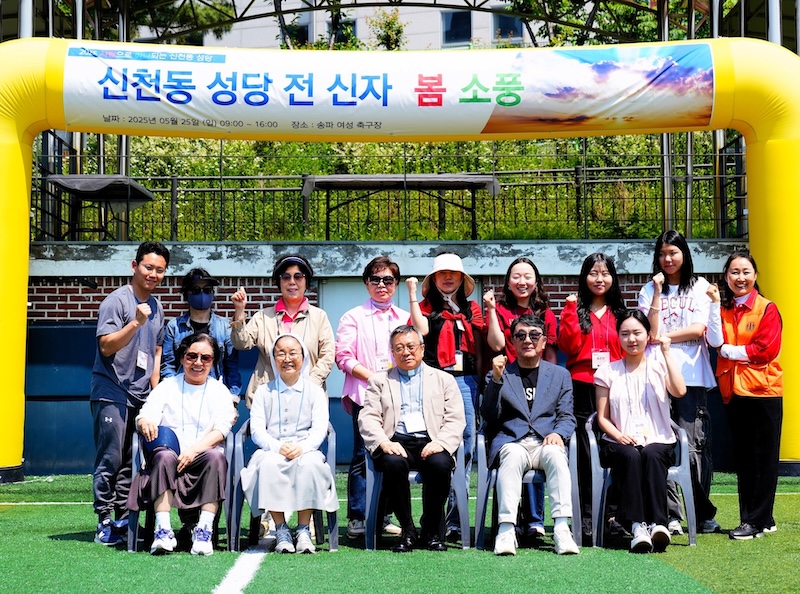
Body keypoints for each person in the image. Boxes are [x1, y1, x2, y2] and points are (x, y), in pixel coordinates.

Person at [638, 230, 720, 536]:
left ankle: (700, 513)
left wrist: (664, 338)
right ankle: (671, 514)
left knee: (694, 446)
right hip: (657, 375)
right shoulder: (649, 289)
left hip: (692, 377)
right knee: (661, 444)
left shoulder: (700, 287)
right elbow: (649, 331)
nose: (667, 259)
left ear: (684, 253)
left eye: (673, 252)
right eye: (662, 254)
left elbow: (699, 329)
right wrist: (658, 293)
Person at [358, 325, 466, 553]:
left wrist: (440, 443)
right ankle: (407, 530)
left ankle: (430, 529)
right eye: (399, 348)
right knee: (393, 464)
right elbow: (368, 418)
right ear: (392, 352)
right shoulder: (379, 381)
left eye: (410, 346)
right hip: (396, 441)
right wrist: (384, 442)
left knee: (440, 464)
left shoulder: (444, 379)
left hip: (432, 440)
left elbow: (456, 419)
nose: (405, 352)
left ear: (422, 349)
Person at [90, 241, 170, 546]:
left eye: (159, 270)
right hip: (112, 391)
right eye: (148, 267)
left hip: (140, 395)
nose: (153, 274)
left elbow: (156, 352)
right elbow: (106, 346)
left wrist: (155, 394)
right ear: (134, 266)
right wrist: (136, 322)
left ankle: (123, 518)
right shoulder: (117, 301)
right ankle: (104, 520)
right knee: (110, 458)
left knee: (131, 460)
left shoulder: (158, 307)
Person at [482, 314, 580, 556]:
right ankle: (506, 530)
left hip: (545, 442)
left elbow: (567, 416)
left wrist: (558, 433)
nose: (528, 340)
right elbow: (490, 416)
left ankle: (561, 529)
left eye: (534, 335)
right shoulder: (499, 373)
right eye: (521, 335)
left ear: (544, 342)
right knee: (512, 456)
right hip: (513, 442)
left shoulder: (560, 375)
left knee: (557, 455)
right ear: (512, 342)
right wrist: (496, 380)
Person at [129, 333, 236, 555]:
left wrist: (193, 451)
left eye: (206, 358)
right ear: (181, 358)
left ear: (213, 361)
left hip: (202, 458)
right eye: (192, 356)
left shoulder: (220, 391)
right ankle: (163, 531)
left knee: (216, 456)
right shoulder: (167, 386)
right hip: (170, 457)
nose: (198, 362)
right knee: (163, 456)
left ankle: (204, 530)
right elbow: (145, 414)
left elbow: (222, 430)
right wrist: (144, 421)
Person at [594, 310, 687, 553]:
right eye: (625, 334)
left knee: (651, 454)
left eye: (637, 333)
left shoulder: (660, 367)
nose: (632, 339)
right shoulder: (607, 372)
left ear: (648, 335)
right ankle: (637, 526)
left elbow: (680, 391)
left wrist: (666, 352)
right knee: (632, 455)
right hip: (618, 442)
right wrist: (618, 435)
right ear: (618, 337)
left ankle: (658, 523)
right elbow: (602, 418)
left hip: (658, 439)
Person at [705, 252, 783, 540]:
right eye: (734, 272)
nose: (740, 278)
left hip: (763, 391)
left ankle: (754, 521)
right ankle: (761, 518)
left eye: (746, 272)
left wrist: (730, 351)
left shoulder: (767, 308)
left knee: (764, 459)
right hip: (733, 391)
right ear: (726, 277)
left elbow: (766, 349)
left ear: (755, 276)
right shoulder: (724, 309)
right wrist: (714, 305)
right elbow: (714, 340)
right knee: (746, 460)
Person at [240, 334, 338, 554]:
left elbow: (320, 428)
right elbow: (257, 430)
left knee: (310, 464)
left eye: (293, 353)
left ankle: (303, 529)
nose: (287, 359)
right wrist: (277, 447)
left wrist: (303, 447)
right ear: (273, 358)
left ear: (303, 357)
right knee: (268, 464)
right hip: (271, 449)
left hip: (306, 448)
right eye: (281, 354)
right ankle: (281, 528)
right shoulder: (263, 391)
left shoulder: (315, 392)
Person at [407, 252, 481, 539]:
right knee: (437, 443)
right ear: (434, 279)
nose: (448, 278)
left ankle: (455, 519)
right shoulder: (425, 307)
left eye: (454, 273)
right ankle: (434, 517)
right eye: (442, 273)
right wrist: (412, 295)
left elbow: (482, 344)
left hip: (467, 381)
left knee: (466, 445)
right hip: (435, 380)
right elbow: (419, 331)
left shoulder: (472, 309)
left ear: (462, 278)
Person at [335, 256, 408, 539]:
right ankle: (357, 516)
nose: (381, 285)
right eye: (375, 279)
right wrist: (373, 378)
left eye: (388, 280)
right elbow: (343, 357)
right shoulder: (352, 317)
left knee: (391, 452)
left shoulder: (404, 318)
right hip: (363, 393)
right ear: (366, 283)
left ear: (396, 284)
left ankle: (384, 515)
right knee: (361, 454)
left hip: (397, 395)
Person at [484, 256, 556, 539]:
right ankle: (509, 520)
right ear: (508, 281)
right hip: (507, 382)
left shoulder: (546, 313)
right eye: (516, 276)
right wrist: (491, 310)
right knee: (513, 444)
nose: (522, 282)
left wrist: (550, 384)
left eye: (528, 276)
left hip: (539, 382)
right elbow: (496, 345)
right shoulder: (500, 309)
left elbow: (550, 353)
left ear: (536, 281)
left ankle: (535, 520)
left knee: (538, 435)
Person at [557, 253, 626, 542]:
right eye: (593, 273)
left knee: (617, 448)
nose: (599, 279)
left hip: (615, 386)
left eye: (605, 273)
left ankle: (614, 516)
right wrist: (570, 310)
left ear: (613, 278)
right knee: (584, 454)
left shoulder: (620, 313)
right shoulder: (575, 309)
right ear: (584, 277)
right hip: (582, 386)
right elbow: (568, 346)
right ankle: (586, 517)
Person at [230, 253, 335, 408]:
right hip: (267, 400)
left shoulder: (319, 317)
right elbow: (241, 343)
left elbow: (327, 355)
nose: (292, 282)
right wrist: (239, 312)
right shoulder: (263, 317)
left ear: (306, 281)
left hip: (308, 400)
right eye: (286, 277)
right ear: (279, 282)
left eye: (298, 276)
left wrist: (309, 385)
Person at [162, 268, 241, 405]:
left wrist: (232, 399)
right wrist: (172, 395)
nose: (202, 294)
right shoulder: (174, 327)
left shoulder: (225, 327)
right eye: (196, 290)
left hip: (215, 397)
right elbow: (168, 366)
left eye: (207, 290)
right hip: (182, 396)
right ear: (186, 294)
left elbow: (231, 368)